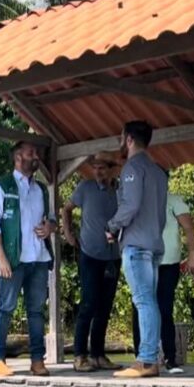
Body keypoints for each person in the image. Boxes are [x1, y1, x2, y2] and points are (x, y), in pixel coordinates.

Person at [0, 141, 56, 377]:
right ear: (18, 158)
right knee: (6, 308)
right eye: (31, 153)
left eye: (36, 153)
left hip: (39, 258)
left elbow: (51, 218)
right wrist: (1, 258)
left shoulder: (40, 189)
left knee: (36, 311)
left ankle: (37, 360)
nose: (36, 156)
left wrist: (50, 227)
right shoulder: (0, 186)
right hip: (13, 260)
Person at [106, 120, 169, 379]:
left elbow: (130, 205)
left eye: (121, 137)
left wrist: (112, 226)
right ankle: (154, 356)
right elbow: (161, 215)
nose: (120, 142)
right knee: (150, 301)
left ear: (129, 139)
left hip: (137, 245)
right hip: (154, 243)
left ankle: (146, 360)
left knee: (143, 302)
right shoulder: (158, 171)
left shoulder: (132, 168)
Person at [60, 153, 122, 372]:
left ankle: (98, 354)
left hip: (113, 256)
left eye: (102, 168)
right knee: (88, 304)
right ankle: (79, 356)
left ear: (112, 169)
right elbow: (66, 208)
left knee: (105, 307)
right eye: (95, 168)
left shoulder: (120, 189)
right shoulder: (84, 188)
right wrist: (68, 233)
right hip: (89, 254)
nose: (98, 172)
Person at [157, 192, 194, 374]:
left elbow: (189, 227)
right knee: (141, 307)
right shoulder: (138, 197)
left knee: (165, 309)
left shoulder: (173, 199)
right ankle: (143, 358)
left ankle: (170, 358)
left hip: (168, 262)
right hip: (145, 260)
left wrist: (192, 255)